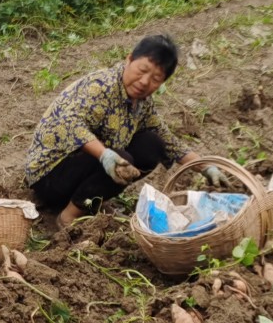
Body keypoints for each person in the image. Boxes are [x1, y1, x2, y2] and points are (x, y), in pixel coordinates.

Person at [26, 33, 195, 227]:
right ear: (129, 59)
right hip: (50, 177)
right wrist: (104, 154)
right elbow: (72, 124)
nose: (144, 82)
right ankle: (68, 217)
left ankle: (89, 198)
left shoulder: (142, 103)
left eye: (155, 78)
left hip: (81, 171)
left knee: (153, 144)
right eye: (142, 70)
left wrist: (207, 167)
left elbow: (166, 136)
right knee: (121, 160)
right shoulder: (101, 86)